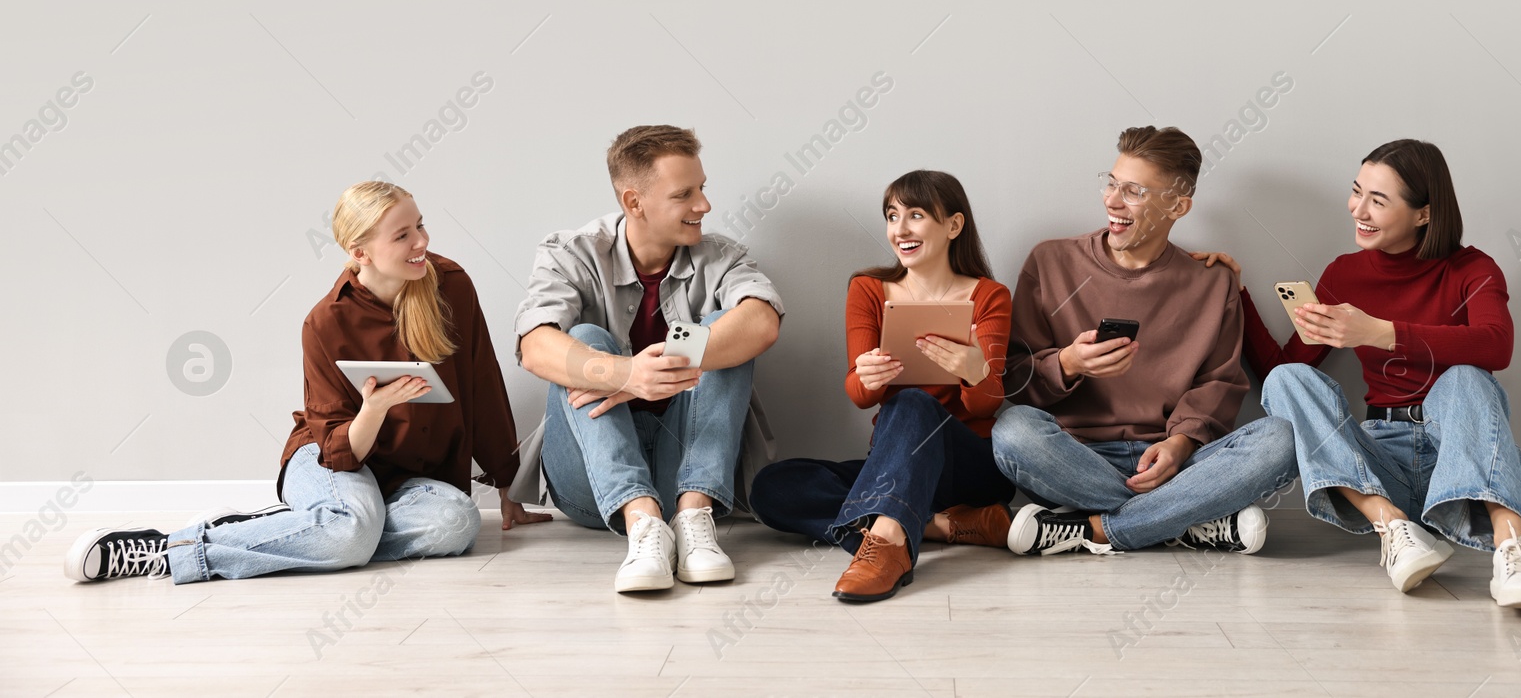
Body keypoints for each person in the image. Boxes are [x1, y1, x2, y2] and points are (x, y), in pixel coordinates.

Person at [66, 181, 545, 584]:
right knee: (352, 528)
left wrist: (508, 484)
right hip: (332, 461)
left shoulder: (450, 285)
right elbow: (338, 449)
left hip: (412, 479)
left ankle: (297, 530)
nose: (421, 241)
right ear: (360, 253)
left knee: (456, 524)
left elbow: (482, 381)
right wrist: (374, 410)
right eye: (403, 235)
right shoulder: (325, 323)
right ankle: (170, 551)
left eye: (420, 224)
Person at [1191, 138, 1521, 609]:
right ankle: (1393, 527)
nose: (1358, 209)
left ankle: (1514, 548)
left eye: (1378, 200)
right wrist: (1236, 293)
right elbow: (1284, 372)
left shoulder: (1474, 269)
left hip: (1459, 453)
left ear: (1423, 214)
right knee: (1287, 381)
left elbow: (1496, 345)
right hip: (1381, 462)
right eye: (1356, 191)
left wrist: (1379, 332)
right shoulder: (1344, 275)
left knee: (1467, 376)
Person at [992, 125, 1297, 557]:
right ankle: (1186, 524)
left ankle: (1096, 529)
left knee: (1282, 438)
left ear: (1178, 205)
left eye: (1133, 191)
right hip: (1074, 458)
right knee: (1012, 432)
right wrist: (1069, 363)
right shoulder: (1050, 261)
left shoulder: (1212, 283)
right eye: (1112, 183)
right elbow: (1015, 378)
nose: (1112, 201)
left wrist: (1180, 444)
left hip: (1177, 464)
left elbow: (1220, 384)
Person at [515, 125, 782, 592]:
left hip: (686, 467)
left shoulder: (721, 256)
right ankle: (643, 525)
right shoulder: (569, 252)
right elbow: (535, 346)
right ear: (634, 202)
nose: (704, 205)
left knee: (726, 325)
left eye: (702, 188)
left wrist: (676, 361)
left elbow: (761, 322)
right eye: (685, 194)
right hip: (592, 486)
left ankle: (695, 520)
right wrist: (626, 374)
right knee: (581, 337)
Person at [749, 171, 1015, 603]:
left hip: (968, 464)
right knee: (770, 489)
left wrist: (975, 370)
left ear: (953, 225)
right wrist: (866, 377)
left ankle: (887, 545)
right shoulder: (869, 289)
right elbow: (859, 395)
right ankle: (942, 525)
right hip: (896, 465)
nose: (900, 229)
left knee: (913, 401)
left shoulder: (989, 296)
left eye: (915, 215)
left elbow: (986, 407)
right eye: (892, 216)